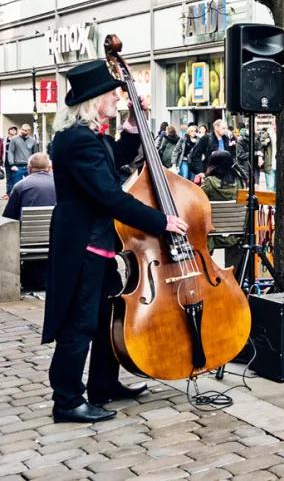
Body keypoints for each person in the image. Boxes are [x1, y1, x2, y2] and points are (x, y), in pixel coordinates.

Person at [45, 60, 187, 423]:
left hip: (97, 244)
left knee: (108, 316)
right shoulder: (77, 141)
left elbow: (115, 161)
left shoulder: (88, 136)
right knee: (79, 323)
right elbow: (110, 195)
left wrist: (130, 132)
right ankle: (67, 401)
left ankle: (103, 385)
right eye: (111, 93)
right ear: (93, 100)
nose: (116, 97)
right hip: (84, 245)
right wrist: (162, 221)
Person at [200, 151, 250, 284]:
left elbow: (198, 200)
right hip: (235, 233)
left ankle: (206, 276)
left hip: (211, 234)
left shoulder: (209, 182)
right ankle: (234, 278)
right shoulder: (240, 181)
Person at [3, 152, 56, 220]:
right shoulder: (61, 185)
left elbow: (10, 216)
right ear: (49, 168)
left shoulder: (20, 186)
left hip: (28, 229)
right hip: (56, 229)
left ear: (29, 168)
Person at [7, 123, 39, 192]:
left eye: (25, 130)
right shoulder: (14, 139)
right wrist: (12, 165)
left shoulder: (33, 141)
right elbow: (10, 152)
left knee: (31, 186)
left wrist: (35, 166)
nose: (23, 131)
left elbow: (35, 154)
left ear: (29, 131)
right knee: (16, 187)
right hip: (17, 167)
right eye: (22, 129)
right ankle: (16, 202)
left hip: (29, 166)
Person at [4, 125, 18, 195]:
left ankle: (15, 193)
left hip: (15, 162)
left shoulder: (18, 140)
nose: (13, 131)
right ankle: (8, 193)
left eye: (14, 130)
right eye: (11, 129)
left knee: (15, 178)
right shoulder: (4, 140)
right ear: (9, 131)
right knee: (8, 179)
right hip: (7, 162)